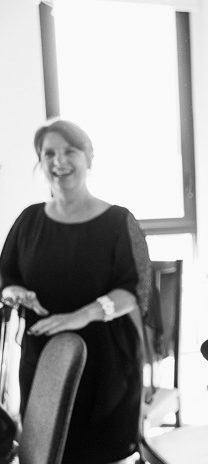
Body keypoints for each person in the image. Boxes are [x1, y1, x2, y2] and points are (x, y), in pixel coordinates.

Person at [0, 119, 151, 464]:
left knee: (103, 453)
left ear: (89, 158)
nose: (59, 161)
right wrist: (16, 292)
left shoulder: (119, 220)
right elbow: (5, 277)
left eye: (70, 151)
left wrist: (80, 316)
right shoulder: (28, 220)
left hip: (107, 365)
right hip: (43, 361)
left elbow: (136, 291)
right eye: (49, 153)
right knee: (49, 452)